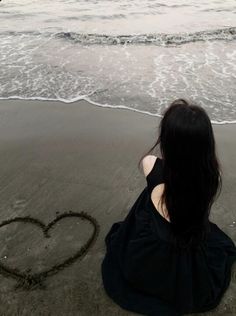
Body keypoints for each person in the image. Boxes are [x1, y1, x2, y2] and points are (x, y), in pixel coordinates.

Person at [101, 99, 236, 316]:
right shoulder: (212, 177)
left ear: (166, 140)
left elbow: (160, 166)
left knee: (149, 195)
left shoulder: (150, 164)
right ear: (207, 144)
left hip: (150, 254)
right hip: (189, 248)